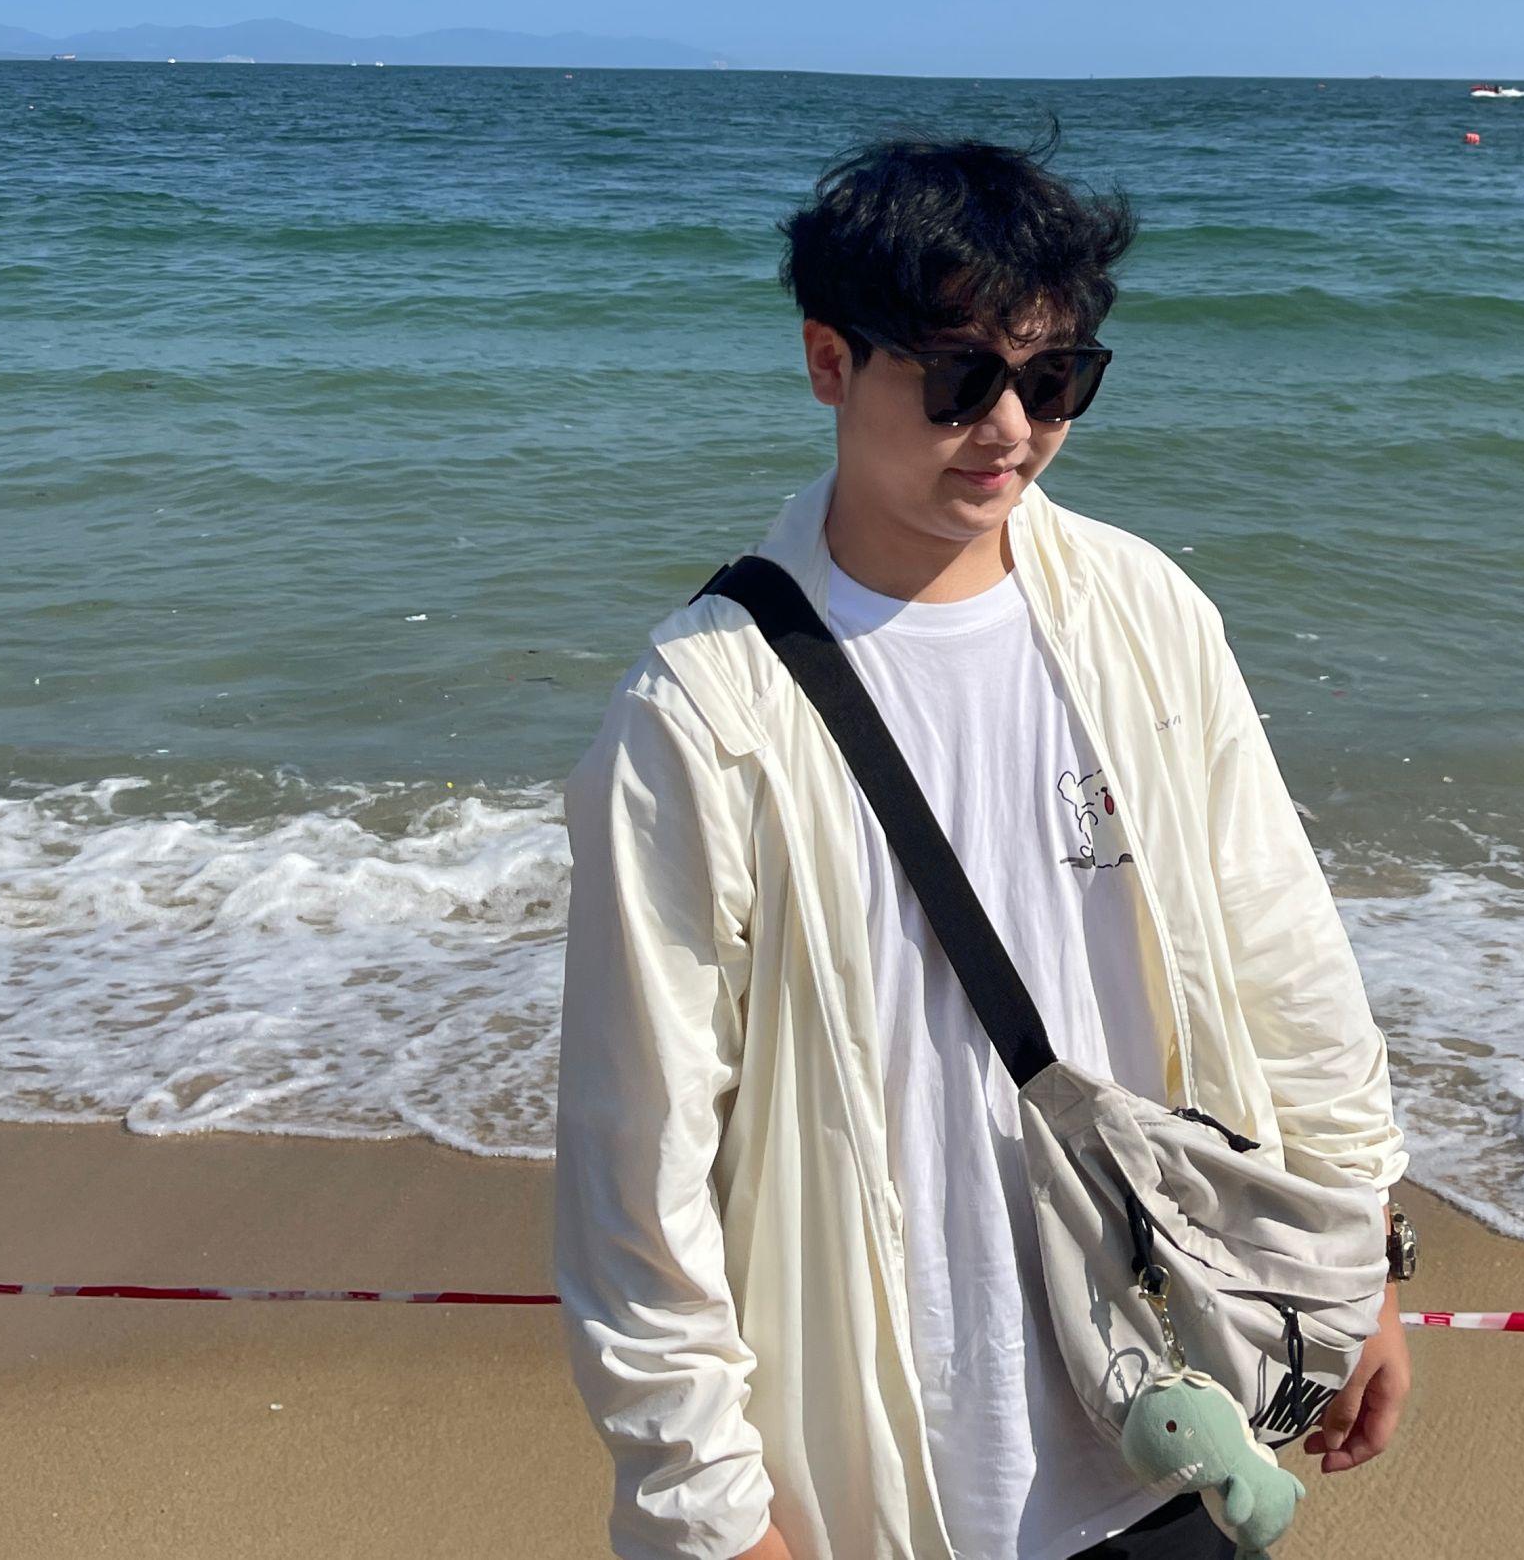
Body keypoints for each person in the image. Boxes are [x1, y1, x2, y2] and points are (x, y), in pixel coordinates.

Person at [555, 136, 1411, 1560]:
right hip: (887, 1465)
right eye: (960, 377)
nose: (1009, 425)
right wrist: (702, 1500)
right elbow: (637, 1153)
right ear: (828, 360)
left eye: (1055, 377)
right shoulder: (703, 708)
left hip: (1173, 1410)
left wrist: (1358, 1255)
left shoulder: (1145, 612)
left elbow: (1282, 949)